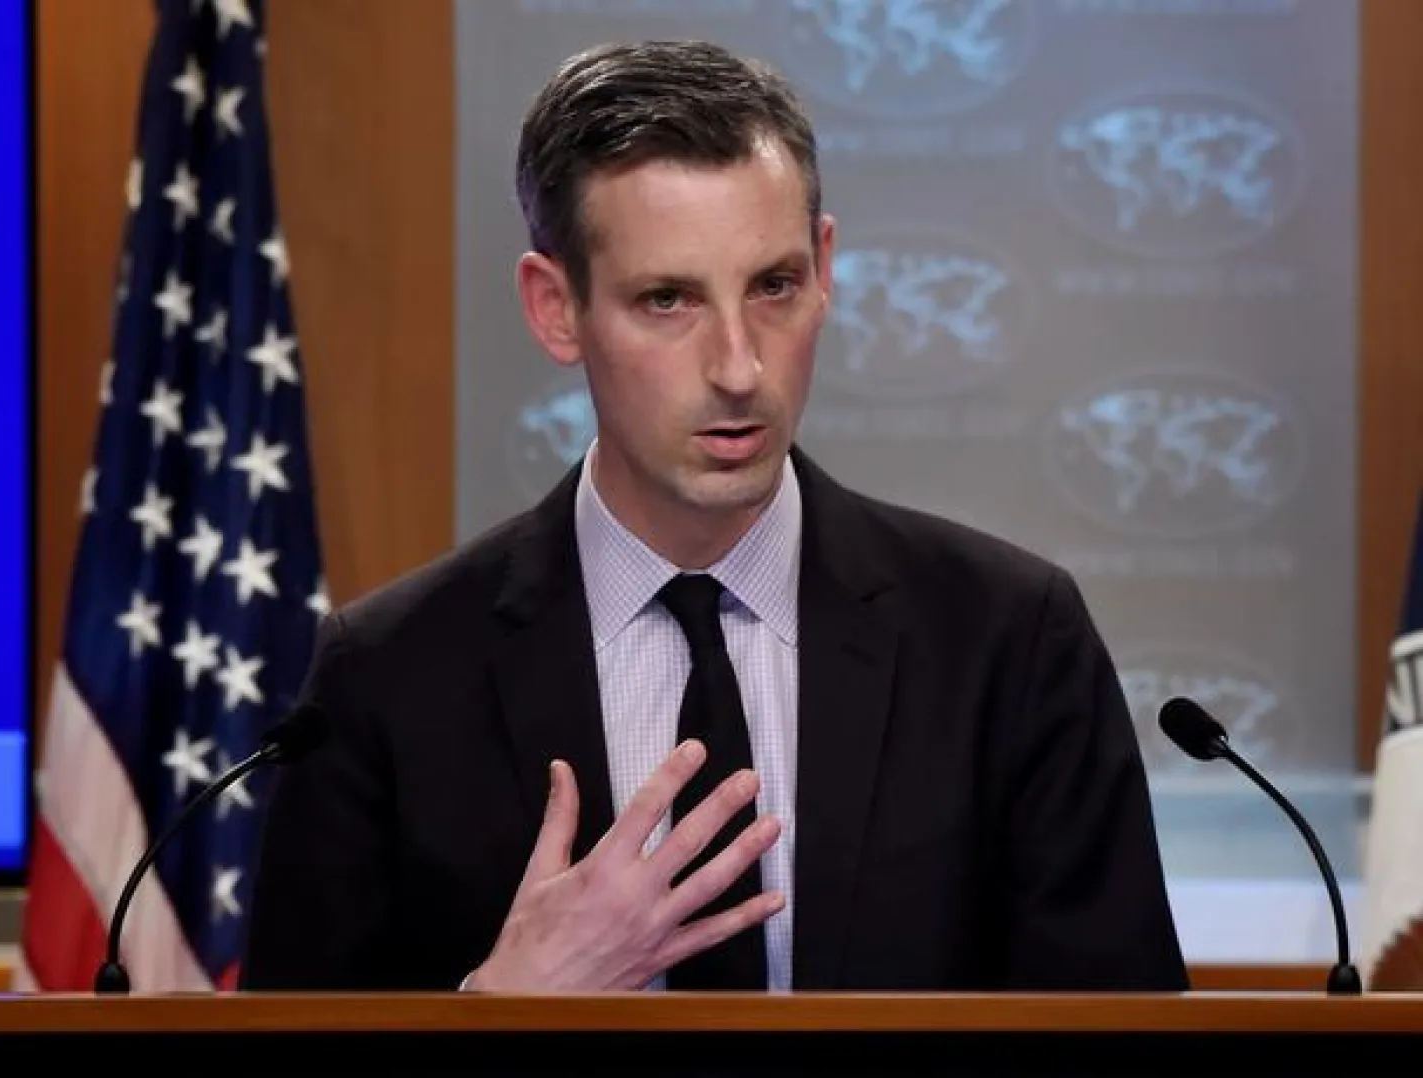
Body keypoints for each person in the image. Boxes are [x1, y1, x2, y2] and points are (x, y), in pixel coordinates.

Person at [238, 38, 1190, 994]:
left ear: (824, 269)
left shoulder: (1007, 642)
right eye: (667, 300)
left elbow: (1126, 1039)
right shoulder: (390, 677)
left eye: (773, 286)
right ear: (556, 308)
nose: (740, 367)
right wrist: (499, 1011)